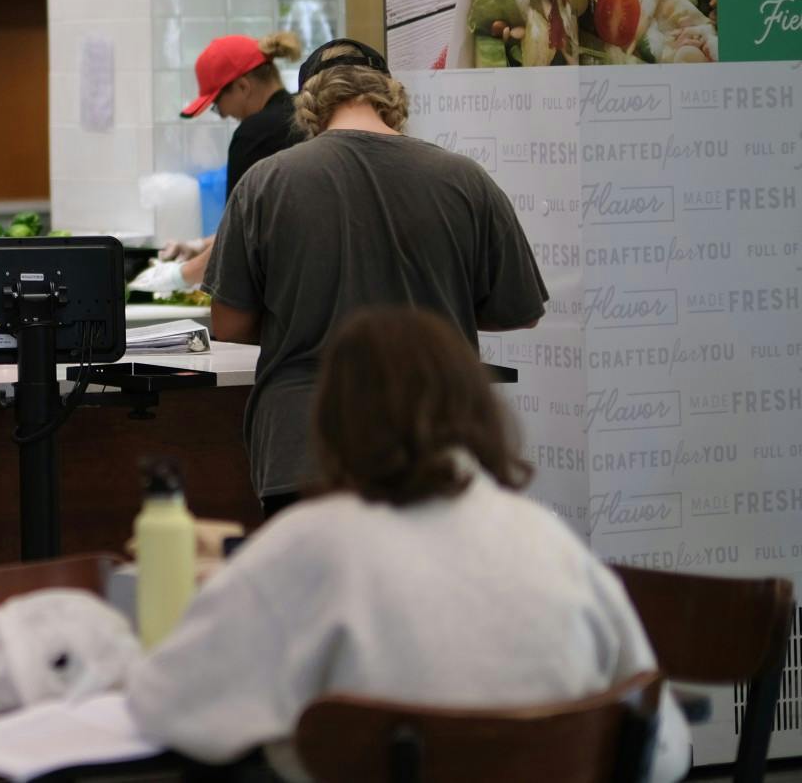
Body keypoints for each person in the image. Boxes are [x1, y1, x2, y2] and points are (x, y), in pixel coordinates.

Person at [122, 309, 689, 783]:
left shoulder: (308, 541)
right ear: (476, 404)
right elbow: (662, 745)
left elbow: (165, 702)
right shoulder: (547, 536)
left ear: (332, 417)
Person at [206, 38, 546, 517]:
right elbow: (520, 311)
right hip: (437, 441)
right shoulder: (465, 179)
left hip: (306, 449)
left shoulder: (266, 183)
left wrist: (299, 310)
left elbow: (230, 326)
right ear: (392, 96)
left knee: (320, 593)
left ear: (309, 106)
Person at [152, 31, 307, 291]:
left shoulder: (254, 134)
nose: (222, 114)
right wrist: (200, 245)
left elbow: (238, 240)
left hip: (280, 291)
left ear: (243, 86)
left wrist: (178, 276)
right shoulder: (302, 115)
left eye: (216, 103)